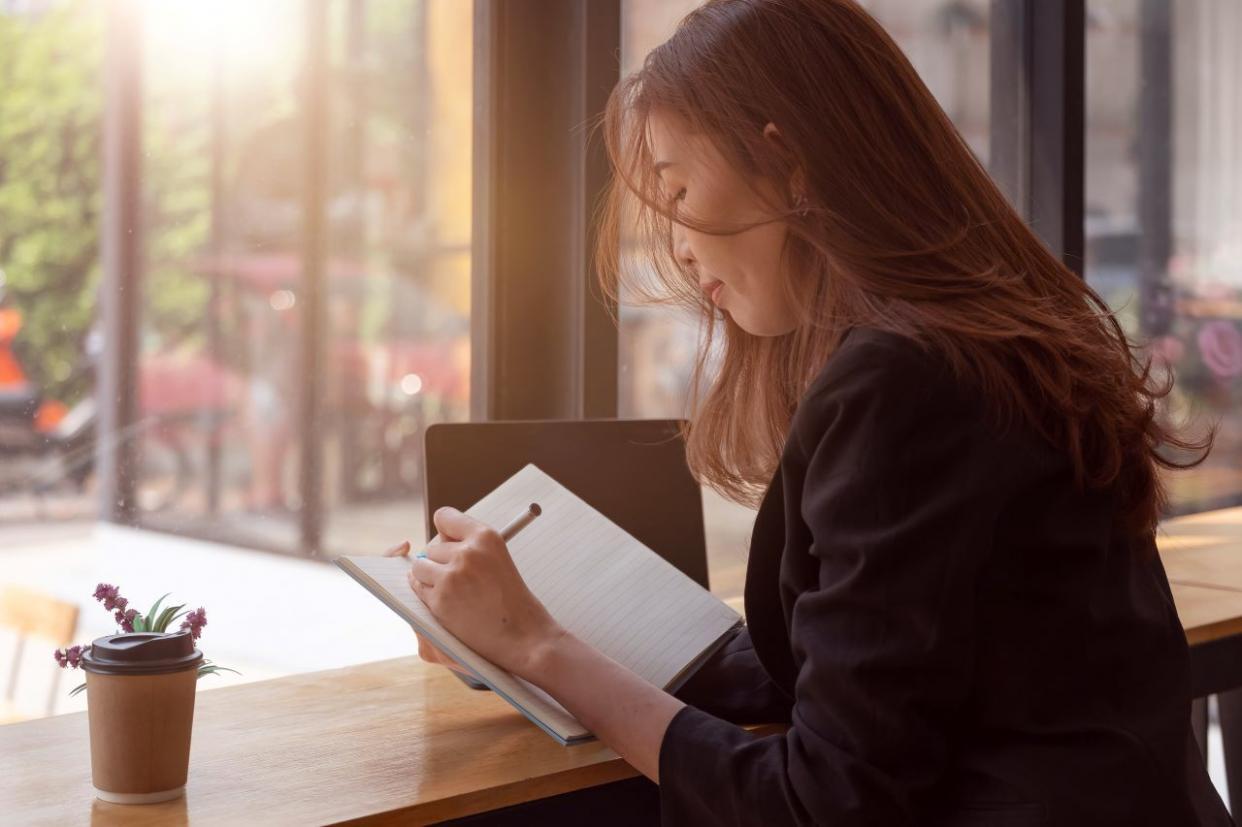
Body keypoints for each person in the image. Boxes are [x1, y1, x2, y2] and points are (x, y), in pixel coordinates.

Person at [386, 1, 1233, 823]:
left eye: (678, 192)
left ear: (788, 163)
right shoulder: (979, 342)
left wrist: (545, 649)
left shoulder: (905, 383)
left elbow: (821, 803)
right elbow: (871, 678)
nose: (677, 242)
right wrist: (524, 636)